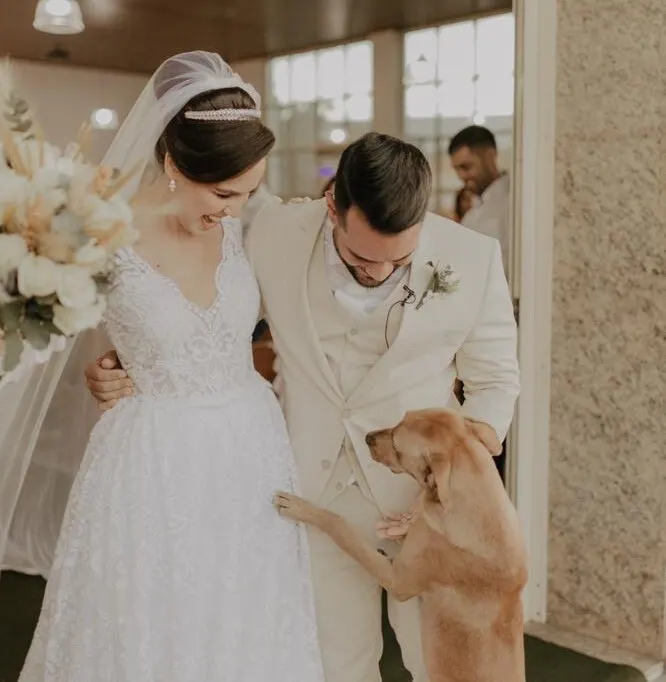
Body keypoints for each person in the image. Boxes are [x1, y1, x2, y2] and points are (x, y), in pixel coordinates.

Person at [88, 131, 520, 682]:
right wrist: (126, 360)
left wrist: (453, 495)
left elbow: (495, 385)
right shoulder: (269, 230)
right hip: (309, 491)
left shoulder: (473, 256)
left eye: (398, 261)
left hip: (423, 507)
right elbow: (198, 307)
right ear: (332, 204)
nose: (379, 273)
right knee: (336, 663)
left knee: (440, 664)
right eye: (362, 257)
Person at [0, 52, 323, 681]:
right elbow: (61, 343)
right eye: (223, 193)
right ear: (173, 163)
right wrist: (104, 369)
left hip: (250, 448)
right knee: (147, 622)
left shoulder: (246, 225)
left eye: (248, 193)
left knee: (244, 616)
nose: (234, 209)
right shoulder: (102, 233)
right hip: (152, 460)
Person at [448, 125, 511, 282]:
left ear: (490, 156)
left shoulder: (513, 200)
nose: (461, 176)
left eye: (466, 167)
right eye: (457, 169)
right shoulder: (472, 211)